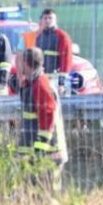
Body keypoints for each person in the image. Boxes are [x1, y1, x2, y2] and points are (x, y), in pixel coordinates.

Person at [16, 47, 68, 193]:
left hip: (49, 154)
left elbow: (47, 116)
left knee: (50, 194)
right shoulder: (33, 83)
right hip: (40, 155)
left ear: (26, 63)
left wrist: (39, 149)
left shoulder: (41, 84)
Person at [35, 9, 73, 96]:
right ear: (42, 20)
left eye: (50, 18)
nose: (47, 20)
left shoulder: (62, 36)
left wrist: (62, 83)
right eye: (45, 18)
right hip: (42, 79)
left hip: (56, 80)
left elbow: (66, 60)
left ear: (56, 20)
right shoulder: (39, 37)